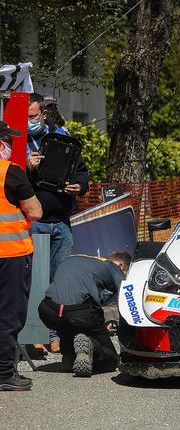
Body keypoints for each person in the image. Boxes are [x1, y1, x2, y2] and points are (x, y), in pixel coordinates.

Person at [26, 92, 89, 353]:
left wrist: (80, 186)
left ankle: (56, 336)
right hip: (34, 223)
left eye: (32, 116)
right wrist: (26, 166)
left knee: (59, 281)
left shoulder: (62, 139)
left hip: (61, 223)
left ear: (44, 113)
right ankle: (33, 334)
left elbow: (82, 172)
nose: (29, 121)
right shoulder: (18, 144)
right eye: (25, 117)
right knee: (33, 280)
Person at [0, 122, 44, 391]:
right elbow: (36, 211)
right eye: (8, 142)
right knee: (8, 314)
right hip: (10, 254)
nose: (11, 147)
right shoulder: (11, 172)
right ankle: (4, 373)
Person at [38, 252, 130, 377]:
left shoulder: (72, 258)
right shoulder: (112, 267)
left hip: (48, 310)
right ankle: (91, 346)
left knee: (67, 322)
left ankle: (69, 357)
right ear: (120, 265)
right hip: (81, 314)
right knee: (112, 360)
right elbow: (127, 299)